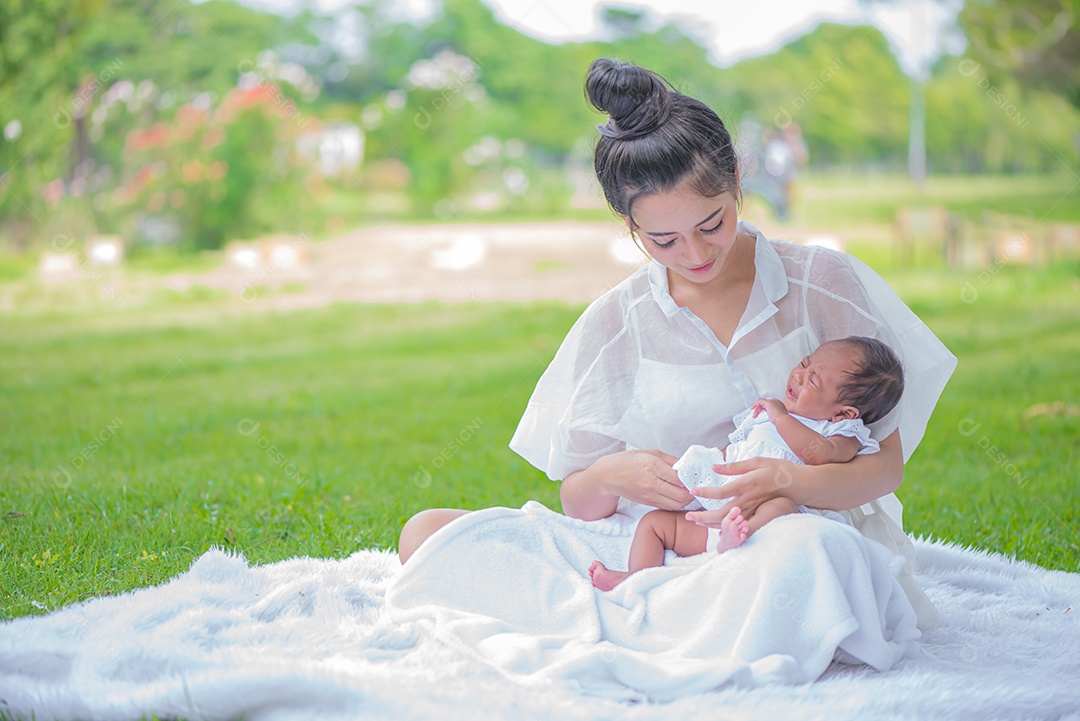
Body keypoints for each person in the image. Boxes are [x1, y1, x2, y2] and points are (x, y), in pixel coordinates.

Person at [397, 57, 954, 633]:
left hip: (791, 530)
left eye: (712, 224)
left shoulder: (820, 282)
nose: (695, 255)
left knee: (803, 561)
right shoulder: (618, 320)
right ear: (627, 222)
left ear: (738, 180)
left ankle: (649, 618)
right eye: (663, 240)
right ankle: (655, 604)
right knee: (430, 535)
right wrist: (614, 475)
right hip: (668, 538)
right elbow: (578, 499)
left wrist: (788, 480)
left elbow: (883, 468)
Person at [588, 336, 904, 591]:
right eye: (804, 364)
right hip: (718, 517)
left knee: (781, 504)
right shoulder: (766, 415)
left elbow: (819, 455)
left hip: (772, 523)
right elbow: (737, 451)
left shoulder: (839, 431)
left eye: (814, 381)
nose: (798, 376)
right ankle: (638, 578)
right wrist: (703, 471)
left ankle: (741, 534)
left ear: (844, 412)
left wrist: (779, 416)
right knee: (654, 524)